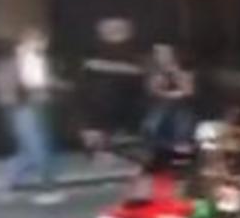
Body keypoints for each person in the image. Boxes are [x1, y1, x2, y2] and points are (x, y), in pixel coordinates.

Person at [0, 28, 64, 204]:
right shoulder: (13, 63)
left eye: (43, 42)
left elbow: (43, 82)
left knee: (30, 151)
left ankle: (5, 186)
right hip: (22, 109)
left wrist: (54, 86)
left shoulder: (37, 60)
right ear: (28, 42)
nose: (44, 45)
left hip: (36, 108)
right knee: (38, 149)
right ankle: (47, 190)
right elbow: (8, 88)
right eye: (40, 41)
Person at [80, 18, 143, 154]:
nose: (117, 48)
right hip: (101, 125)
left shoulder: (135, 69)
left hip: (118, 126)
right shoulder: (92, 68)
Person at [142, 44, 195, 151]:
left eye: (164, 53)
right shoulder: (155, 73)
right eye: (157, 54)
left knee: (182, 117)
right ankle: (155, 144)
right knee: (153, 122)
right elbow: (152, 90)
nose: (160, 56)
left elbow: (188, 91)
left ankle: (180, 142)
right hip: (159, 106)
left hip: (182, 107)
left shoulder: (184, 71)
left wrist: (176, 73)